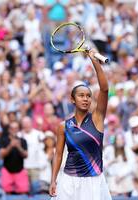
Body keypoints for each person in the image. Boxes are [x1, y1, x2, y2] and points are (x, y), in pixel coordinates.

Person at [49, 50, 112, 200]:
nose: (86, 99)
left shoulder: (97, 118)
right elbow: (58, 154)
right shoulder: (63, 126)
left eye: (88, 96)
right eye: (81, 95)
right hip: (68, 181)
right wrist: (53, 180)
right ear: (72, 99)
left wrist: (94, 62)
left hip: (94, 181)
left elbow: (104, 89)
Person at [0, 121, 29, 194]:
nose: (14, 130)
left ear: (18, 129)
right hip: (7, 171)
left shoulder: (23, 141)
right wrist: (10, 146)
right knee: (6, 193)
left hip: (20, 171)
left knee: (23, 193)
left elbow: (26, 155)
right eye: (12, 128)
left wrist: (18, 147)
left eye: (16, 128)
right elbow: (1, 155)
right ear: (9, 129)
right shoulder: (4, 140)